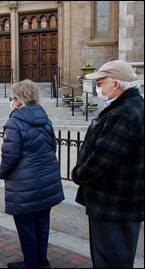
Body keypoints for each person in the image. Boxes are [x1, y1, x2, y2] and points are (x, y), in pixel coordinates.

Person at [72, 60, 144, 268]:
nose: (98, 88)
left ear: (115, 84)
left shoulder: (125, 114)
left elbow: (101, 159)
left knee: (110, 259)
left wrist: (79, 173)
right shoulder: (128, 106)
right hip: (119, 202)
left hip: (114, 205)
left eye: (101, 83)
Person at [0, 79, 64, 268]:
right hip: (46, 181)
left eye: (12, 97)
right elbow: (52, 145)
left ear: (18, 99)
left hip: (24, 185)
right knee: (42, 224)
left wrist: (2, 172)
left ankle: (31, 264)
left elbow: (10, 155)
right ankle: (41, 261)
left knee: (26, 228)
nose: (11, 101)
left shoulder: (15, 121)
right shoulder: (44, 117)